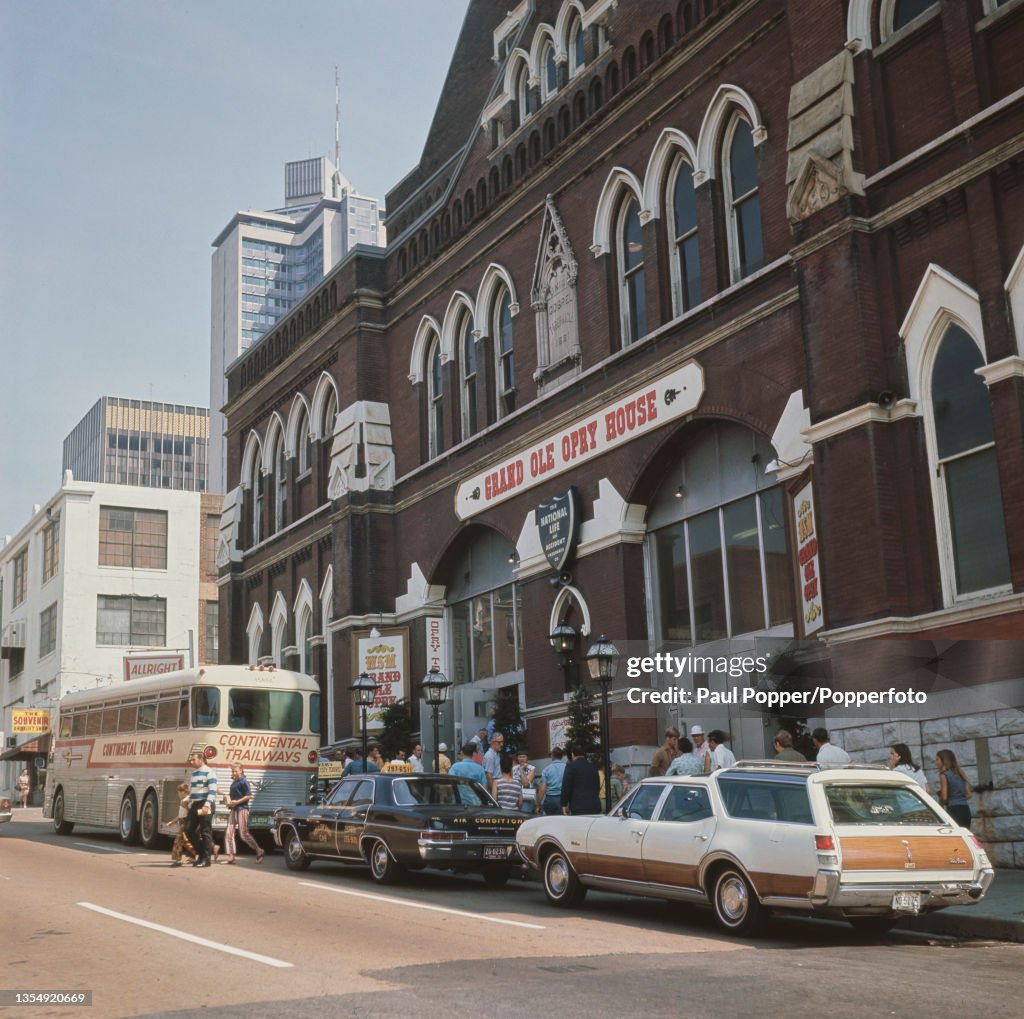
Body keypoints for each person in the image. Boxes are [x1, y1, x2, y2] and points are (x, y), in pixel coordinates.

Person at [223, 764, 265, 864]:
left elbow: (249, 796)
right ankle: (231, 856)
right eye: (233, 771)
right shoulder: (234, 783)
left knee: (243, 834)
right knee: (229, 833)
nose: (234, 773)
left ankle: (258, 850)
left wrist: (237, 802)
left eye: (236, 771)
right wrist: (229, 802)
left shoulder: (244, 781)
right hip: (234, 809)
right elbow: (233, 797)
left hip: (242, 809)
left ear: (241, 771)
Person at [185, 751, 218, 868]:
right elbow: (193, 791)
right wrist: (188, 800)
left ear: (201, 760)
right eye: (191, 760)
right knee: (188, 829)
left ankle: (206, 859)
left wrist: (207, 804)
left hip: (205, 803)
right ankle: (201, 854)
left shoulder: (209, 772)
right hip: (195, 804)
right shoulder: (194, 773)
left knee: (205, 832)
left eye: (194, 760)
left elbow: (213, 790)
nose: (191, 762)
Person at [561, 744, 601, 815]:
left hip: (578, 806)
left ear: (573, 754)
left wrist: (564, 804)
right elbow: (597, 786)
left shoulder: (570, 767)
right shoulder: (593, 767)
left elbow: (566, 787)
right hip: (594, 805)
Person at [935, 749, 972, 828]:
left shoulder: (944, 775)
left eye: (937, 759)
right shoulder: (960, 773)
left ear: (944, 760)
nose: (936, 762)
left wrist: (940, 801)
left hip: (954, 810)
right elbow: (969, 795)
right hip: (965, 810)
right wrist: (958, 798)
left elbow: (944, 797)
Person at [164, 782, 197, 866]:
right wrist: (172, 821)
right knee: (185, 841)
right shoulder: (183, 800)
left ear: (183, 792)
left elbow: (191, 812)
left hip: (186, 821)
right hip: (182, 821)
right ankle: (195, 854)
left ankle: (177, 860)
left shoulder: (188, 800)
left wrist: (186, 806)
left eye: (178, 792)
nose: (178, 794)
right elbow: (180, 814)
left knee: (178, 840)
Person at [538, 747, 566, 815]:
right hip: (563, 799)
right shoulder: (567, 768)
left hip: (550, 799)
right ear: (562, 756)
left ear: (552, 755)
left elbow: (543, 788)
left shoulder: (546, 769)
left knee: (549, 820)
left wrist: (538, 803)